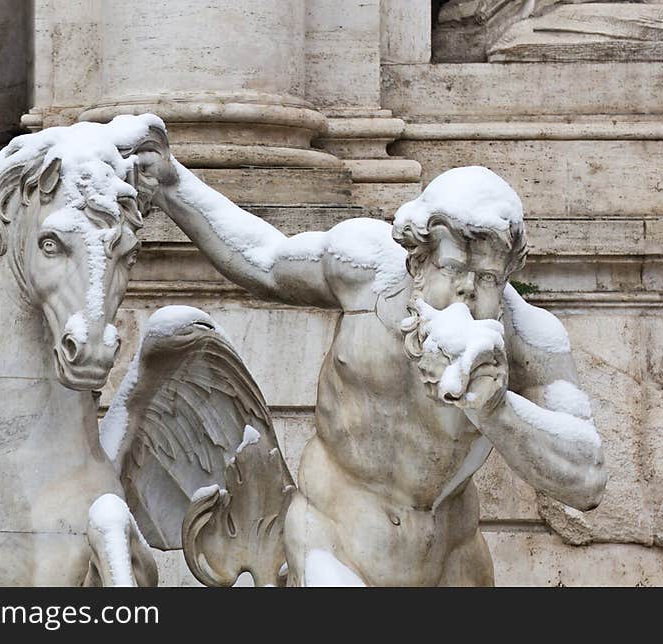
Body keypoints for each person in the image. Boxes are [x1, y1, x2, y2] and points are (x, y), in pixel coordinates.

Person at [140, 149, 607, 586]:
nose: (468, 289)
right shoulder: (363, 270)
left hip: (449, 557)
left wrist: (496, 411)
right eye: (452, 268)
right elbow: (264, 260)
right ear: (419, 261)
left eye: (486, 278)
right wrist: (172, 184)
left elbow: (587, 478)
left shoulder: (527, 337)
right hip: (333, 539)